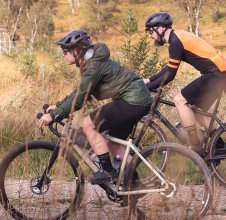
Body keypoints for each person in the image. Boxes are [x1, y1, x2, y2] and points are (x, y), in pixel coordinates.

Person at [38, 30, 152, 184]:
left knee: (88, 124)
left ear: (76, 50)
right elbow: (81, 91)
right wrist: (58, 107)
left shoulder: (93, 66)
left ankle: (108, 172)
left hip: (132, 100)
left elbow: (80, 97)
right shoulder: (91, 61)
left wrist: (53, 115)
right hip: (138, 99)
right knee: (113, 143)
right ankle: (135, 184)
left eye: (65, 52)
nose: (63, 55)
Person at [143, 12, 226, 155]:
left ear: (160, 28)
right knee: (195, 110)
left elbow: (170, 75)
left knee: (180, 100)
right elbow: (169, 69)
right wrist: (149, 81)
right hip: (222, 73)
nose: (150, 35)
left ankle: (195, 146)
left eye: (151, 31)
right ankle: (220, 145)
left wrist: (147, 88)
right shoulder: (177, 37)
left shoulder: (176, 42)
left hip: (217, 74)